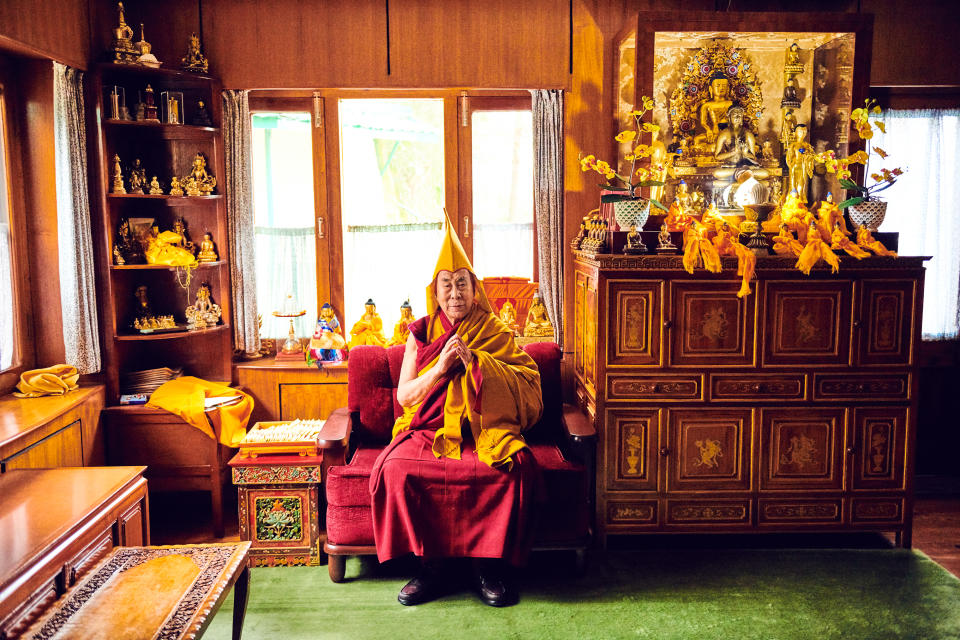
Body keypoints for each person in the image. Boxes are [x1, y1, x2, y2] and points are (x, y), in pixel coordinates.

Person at [370, 217, 542, 608]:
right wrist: (442, 369)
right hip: (428, 431)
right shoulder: (421, 333)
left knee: (510, 469)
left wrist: (480, 365)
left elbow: (527, 380)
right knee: (397, 469)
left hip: (481, 429)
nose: (454, 293)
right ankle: (432, 569)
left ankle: (487, 568)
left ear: (474, 288)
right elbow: (406, 397)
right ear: (435, 291)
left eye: (462, 282)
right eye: (446, 284)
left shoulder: (493, 330)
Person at [785, 123, 816, 203]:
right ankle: (792, 201)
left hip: (803, 166)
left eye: (804, 131)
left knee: (802, 184)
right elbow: (788, 157)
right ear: (795, 132)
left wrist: (807, 155)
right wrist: (791, 164)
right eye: (800, 131)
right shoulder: (793, 145)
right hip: (794, 166)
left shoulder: (807, 145)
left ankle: (801, 200)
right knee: (793, 183)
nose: (802, 133)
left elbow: (812, 155)